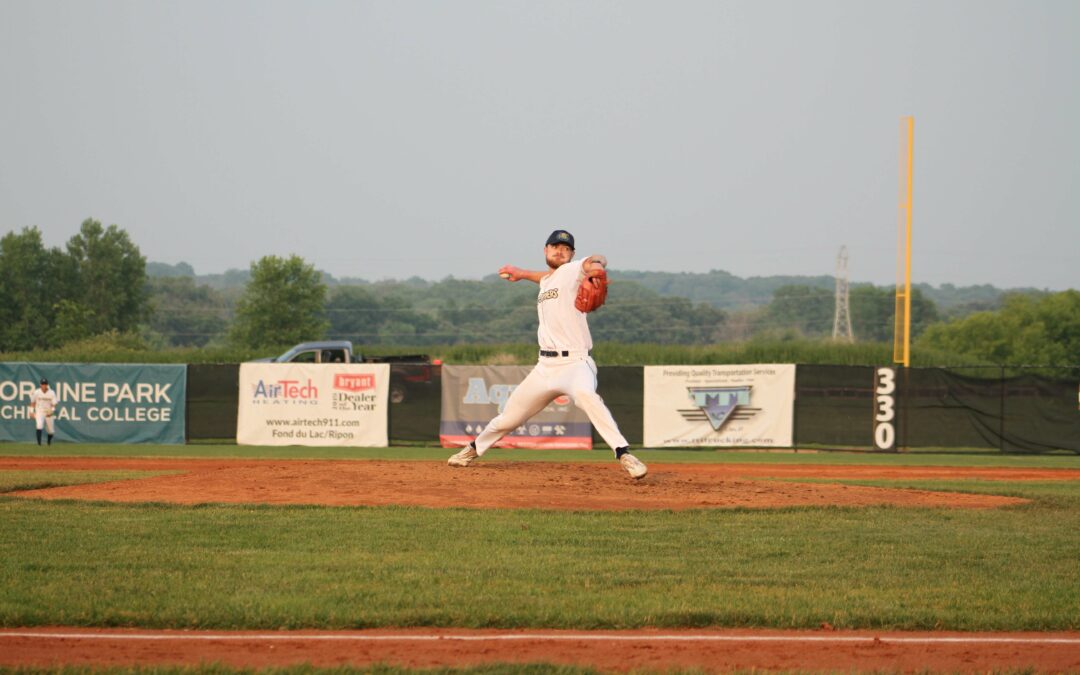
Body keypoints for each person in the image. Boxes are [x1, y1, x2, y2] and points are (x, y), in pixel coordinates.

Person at [448, 229, 647, 479]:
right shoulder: (549, 280)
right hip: (544, 367)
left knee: (587, 396)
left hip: (575, 363)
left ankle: (624, 453)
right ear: (545, 250)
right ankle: (472, 450)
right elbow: (545, 277)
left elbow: (597, 258)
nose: (560, 250)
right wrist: (522, 274)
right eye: (555, 246)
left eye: (566, 248)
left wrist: (598, 267)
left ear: (572, 254)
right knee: (508, 418)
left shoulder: (573, 270)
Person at [29, 378, 59, 446]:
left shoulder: (51, 392)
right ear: (40, 385)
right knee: (39, 426)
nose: (44, 386)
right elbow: (32, 402)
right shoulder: (37, 392)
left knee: (51, 431)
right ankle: (39, 444)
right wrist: (31, 412)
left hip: (48, 411)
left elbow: (54, 403)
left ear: (47, 385)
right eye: (42, 384)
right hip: (39, 411)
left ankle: (48, 442)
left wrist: (52, 410)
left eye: (45, 384)